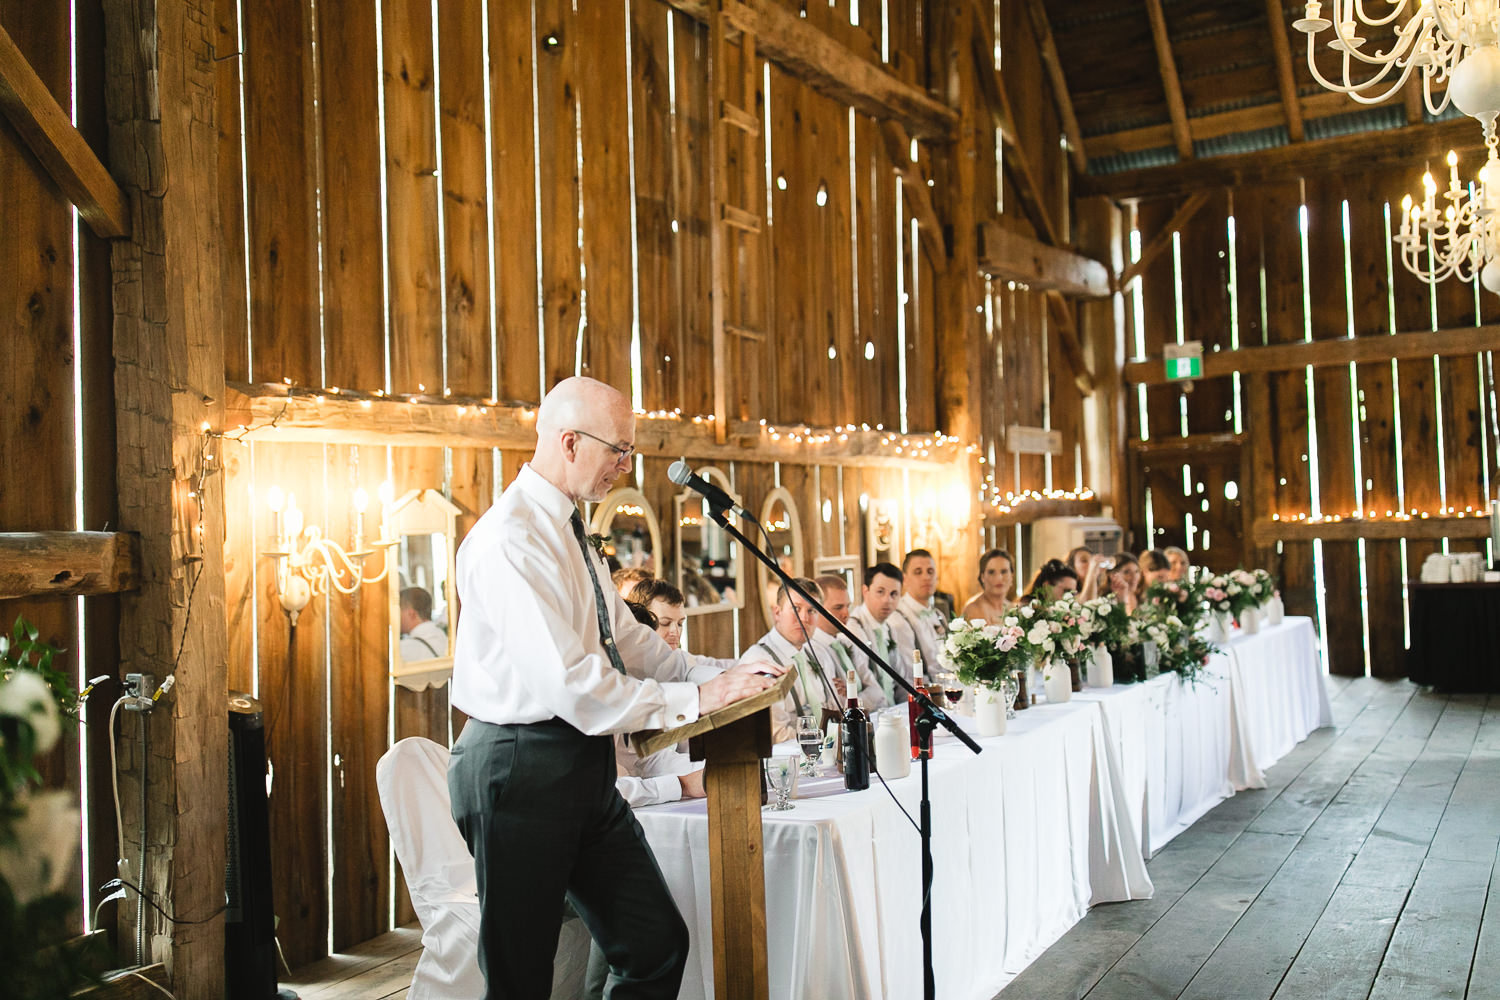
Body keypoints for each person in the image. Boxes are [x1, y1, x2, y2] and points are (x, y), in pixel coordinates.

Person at [446, 376, 783, 999]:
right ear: (569, 442)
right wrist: (696, 702)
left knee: (655, 944)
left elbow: (630, 643)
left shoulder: (575, 531)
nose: (625, 467)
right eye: (618, 450)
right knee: (520, 980)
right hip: (516, 768)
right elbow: (572, 682)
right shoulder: (510, 538)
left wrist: (724, 677)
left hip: (582, 767)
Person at [737, 578, 830, 743]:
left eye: (812, 611)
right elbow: (775, 734)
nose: (804, 618)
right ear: (777, 613)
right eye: (796, 608)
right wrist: (822, 743)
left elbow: (832, 706)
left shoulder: (819, 652)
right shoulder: (758, 661)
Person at [810, 573, 889, 716]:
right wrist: (863, 697)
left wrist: (855, 697)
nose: (846, 613)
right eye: (838, 607)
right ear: (816, 609)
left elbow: (879, 693)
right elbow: (839, 707)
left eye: (847, 606)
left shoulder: (846, 643)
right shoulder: (813, 650)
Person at [624, 577, 735, 672]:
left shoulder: (677, 657)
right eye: (665, 623)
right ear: (640, 621)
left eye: (680, 624)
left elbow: (715, 665)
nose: (675, 632)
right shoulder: (629, 671)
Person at [848, 563, 911, 705]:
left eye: (894, 594)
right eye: (880, 592)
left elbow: (901, 678)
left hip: (894, 710)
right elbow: (865, 679)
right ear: (865, 591)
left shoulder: (889, 628)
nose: (887, 600)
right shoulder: (854, 628)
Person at [895, 549, 946, 671]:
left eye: (930, 571)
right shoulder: (898, 617)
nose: (926, 577)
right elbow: (908, 672)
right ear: (905, 579)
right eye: (918, 572)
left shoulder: (939, 615)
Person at [961, 549, 1016, 624]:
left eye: (1004, 571)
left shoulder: (1014, 609)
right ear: (982, 577)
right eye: (991, 572)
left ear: (1012, 576)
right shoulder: (973, 609)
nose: (999, 578)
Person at [398, 586, 447, 661]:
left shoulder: (405, 648)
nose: (397, 618)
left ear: (412, 614)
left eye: (399, 612)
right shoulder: (443, 635)